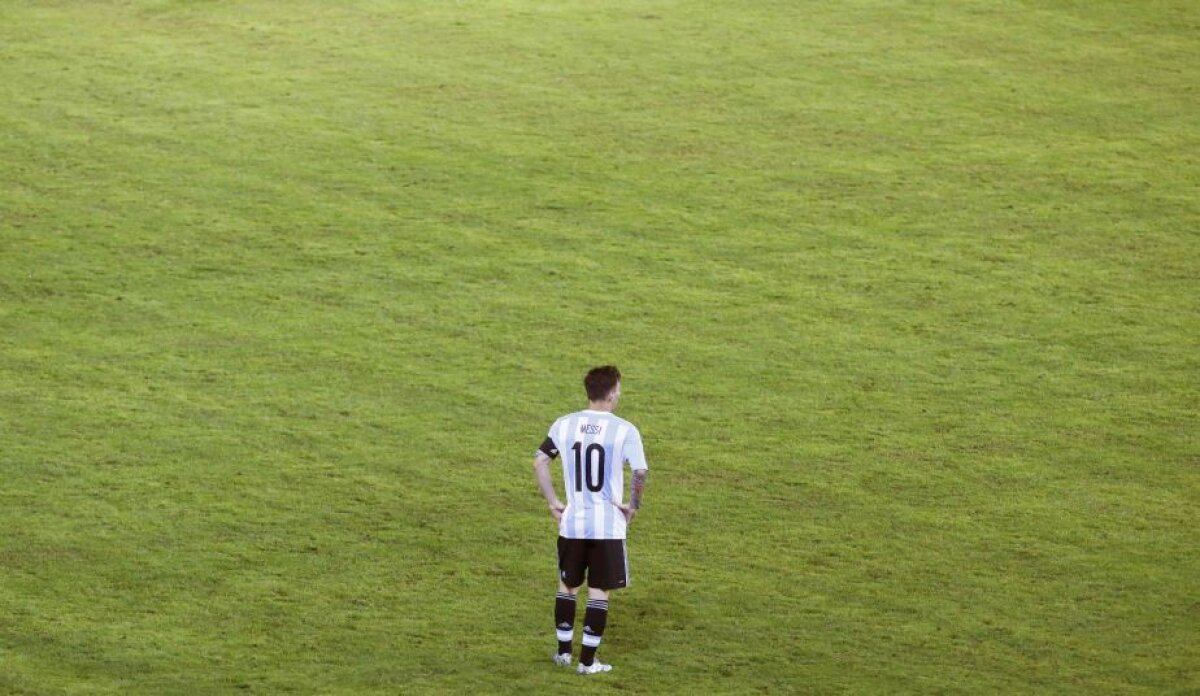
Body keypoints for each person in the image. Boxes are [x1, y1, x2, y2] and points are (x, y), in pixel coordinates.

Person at [532, 365, 649, 675]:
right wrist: (632, 506)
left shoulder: (564, 424)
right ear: (611, 394)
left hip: (573, 522)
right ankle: (587, 662)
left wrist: (553, 502)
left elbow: (540, 461)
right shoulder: (625, 429)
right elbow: (639, 471)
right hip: (607, 525)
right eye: (619, 390)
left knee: (567, 585)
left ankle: (562, 653)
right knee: (599, 590)